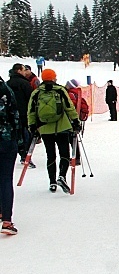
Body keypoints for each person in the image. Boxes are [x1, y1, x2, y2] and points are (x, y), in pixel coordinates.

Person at [27, 69, 81, 193]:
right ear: (53, 78)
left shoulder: (36, 93)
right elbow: (69, 107)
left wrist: (32, 126)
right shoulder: (60, 90)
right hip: (62, 127)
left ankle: (52, 182)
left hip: (45, 129)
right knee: (64, 154)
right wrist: (76, 122)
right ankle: (62, 176)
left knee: (50, 155)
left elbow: (31, 111)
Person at [0, 76, 23, 235]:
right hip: (7, 139)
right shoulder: (5, 90)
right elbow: (15, 115)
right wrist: (19, 139)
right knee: (6, 178)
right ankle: (7, 220)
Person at [6, 63, 34, 167]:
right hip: (24, 113)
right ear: (18, 71)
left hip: (12, 114)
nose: (25, 72)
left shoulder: (7, 83)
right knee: (28, 134)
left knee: (17, 134)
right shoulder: (25, 83)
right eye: (23, 70)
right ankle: (25, 154)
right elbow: (31, 98)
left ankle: (20, 152)